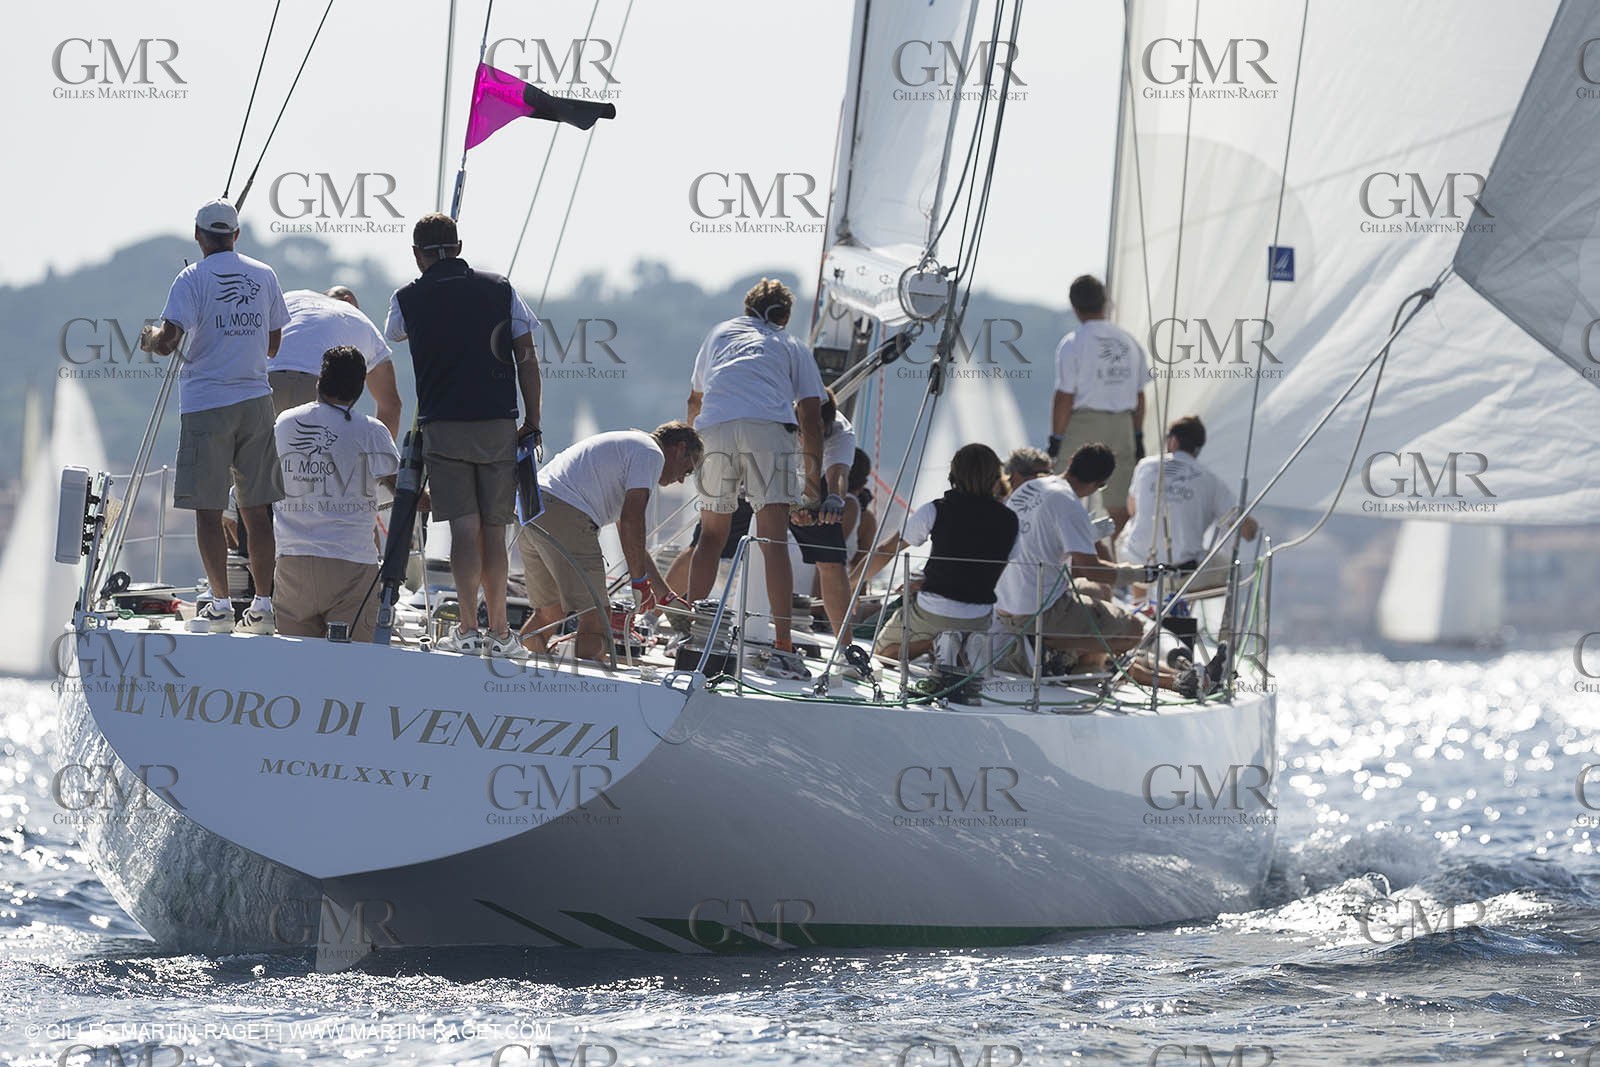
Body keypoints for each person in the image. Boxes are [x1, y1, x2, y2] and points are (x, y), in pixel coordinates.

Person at [385, 213, 542, 659]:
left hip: (443, 426)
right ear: (459, 246)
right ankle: (500, 632)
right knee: (495, 531)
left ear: (417, 254)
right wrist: (533, 420)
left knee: (464, 531)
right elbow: (527, 357)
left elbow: (392, 334)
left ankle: (468, 630)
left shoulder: (407, 299)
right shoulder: (501, 289)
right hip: (498, 424)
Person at [140, 198, 288, 634]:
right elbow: (274, 345)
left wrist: (147, 338)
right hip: (257, 402)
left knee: (207, 511)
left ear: (198, 236)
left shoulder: (190, 278)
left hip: (207, 405)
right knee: (257, 512)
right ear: (237, 235)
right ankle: (263, 606)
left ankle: (220, 606)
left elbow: (167, 342)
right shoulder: (264, 275)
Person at [685, 278, 827, 680]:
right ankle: (783, 646)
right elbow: (811, 417)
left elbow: (695, 399)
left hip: (714, 428)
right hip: (768, 430)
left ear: (748, 309)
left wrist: (693, 445)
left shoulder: (719, 334)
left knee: (711, 536)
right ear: (783, 316)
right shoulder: (791, 345)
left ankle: (697, 636)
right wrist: (812, 482)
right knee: (772, 542)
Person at [517, 423, 703, 661]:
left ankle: (515, 671)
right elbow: (631, 520)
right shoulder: (651, 454)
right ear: (680, 448)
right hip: (565, 512)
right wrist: (639, 582)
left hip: (531, 508)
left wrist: (663, 594)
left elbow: (632, 540)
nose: (680, 480)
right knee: (597, 615)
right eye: (687, 471)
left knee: (548, 612)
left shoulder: (629, 449)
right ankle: (582, 689)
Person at [271, 345, 401, 641]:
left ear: (320, 381)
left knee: (296, 664)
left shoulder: (285, 423)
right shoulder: (372, 431)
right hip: (352, 565)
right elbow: (402, 491)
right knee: (352, 667)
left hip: (293, 562)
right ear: (358, 390)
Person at [856, 444, 1019, 665]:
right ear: (995, 477)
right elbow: (990, 567)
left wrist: (851, 582)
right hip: (978, 617)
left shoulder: (936, 510)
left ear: (954, 474)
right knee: (958, 648)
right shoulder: (1010, 520)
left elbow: (886, 550)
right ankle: (957, 646)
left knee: (881, 654)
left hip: (933, 610)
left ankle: (932, 644)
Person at [993, 443, 1144, 674]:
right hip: (1038, 612)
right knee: (1133, 630)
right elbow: (1092, 569)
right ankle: (1061, 653)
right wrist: (1142, 573)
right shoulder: (1071, 505)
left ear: (1071, 461)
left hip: (1004, 604)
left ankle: (1072, 656)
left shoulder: (1028, 488)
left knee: (1097, 591)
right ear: (1099, 485)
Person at [1047, 274, 1150, 536]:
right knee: (1119, 506)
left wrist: (1056, 441)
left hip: (1084, 424)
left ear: (1074, 306)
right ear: (1105, 302)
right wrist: (1137, 436)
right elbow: (1139, 397)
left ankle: (1066, 561)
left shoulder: (1073, 343)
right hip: (1123, 425)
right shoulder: (1130, 342)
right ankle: (1119, 567)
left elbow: (1064, 397)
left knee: (1061, 493)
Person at [1118, 415, 1258, 594]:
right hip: (1183, 572)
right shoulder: (1211, 481)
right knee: (1231, 572)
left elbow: (1132, 509)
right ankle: (1181, 608)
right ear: (1197, 448)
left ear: (1173, 441)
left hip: (1136, 565)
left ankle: (1140, 603)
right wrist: (1254, 527)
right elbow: (1246, 531)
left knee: (1132, 542)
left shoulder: (1145, 466)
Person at [271, 286, 403, 439]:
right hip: (317, 388)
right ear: (348, 300)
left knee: (258, 460)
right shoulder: (360, 319)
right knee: (316, 459)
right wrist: (381, 455)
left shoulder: (294, 297)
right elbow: (391, 404)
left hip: (268, 380)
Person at [787, 388, 857, 637]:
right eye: (804, 430)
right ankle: (666, 611)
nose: (808, 438)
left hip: (817, 484)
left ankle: (846, 646)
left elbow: (838, 472)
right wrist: (791, 508)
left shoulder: (841, 431)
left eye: (819, 432)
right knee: (711, 538)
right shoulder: (778, 418)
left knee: (832, 561)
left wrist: (835, 498)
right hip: (770, 476)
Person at [845, 448, 878, 575]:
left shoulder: (802, 503)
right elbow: (860, 569)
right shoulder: (866, 520)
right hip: (826, 587)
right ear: (863, 483)